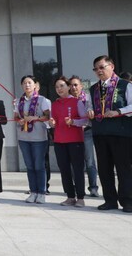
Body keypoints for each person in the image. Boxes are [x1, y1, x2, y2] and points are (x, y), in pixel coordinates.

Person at [87, 55, 132, 213]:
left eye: (102, 67)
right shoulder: (93, 89)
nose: (99, 71)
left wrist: (119, 111)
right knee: (104, 169)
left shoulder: (125, 85)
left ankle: (128, 201)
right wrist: (90, 111)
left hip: (121, 134)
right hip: (100, 133)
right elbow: (89, 106)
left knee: (123, 168)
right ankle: (110, 200)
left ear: (111, 66)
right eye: (96, 69)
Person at [50, 76, 88, 208]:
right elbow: (53, 121)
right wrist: (52, 123)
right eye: (56, 87)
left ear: (68, 87)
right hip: (59, 141)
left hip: (75, 140)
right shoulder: (54, 104)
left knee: (77, 169)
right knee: (64, 169)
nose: (59, 89)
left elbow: (85, 120)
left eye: (62, 86)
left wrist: (73, 122)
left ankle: (81, 197)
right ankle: (70, 196)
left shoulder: (77, 102)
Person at [14, 75, 50, 204]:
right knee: (29, 166)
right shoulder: (19, 101)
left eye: (29, 83)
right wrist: (21, 120)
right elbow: (16, 117)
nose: (27, 85)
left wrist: (35, 118)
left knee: (39, 166)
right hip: (23, 137)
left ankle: (41, 192)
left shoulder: (42, 100)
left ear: (35, 85)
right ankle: (33, 191)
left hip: (39, 138)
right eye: (24, 83)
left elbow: (48, 117)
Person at [69, 75, 99, 197]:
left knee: (90, 161)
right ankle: (77, 187)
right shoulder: (68, 100)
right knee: (74, 162)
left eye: (76, 84)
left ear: (81, 86)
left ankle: (93, 187)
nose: (73, 87)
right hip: (72, 132)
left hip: (87, 132)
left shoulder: (88, 98)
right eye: (71, 85)